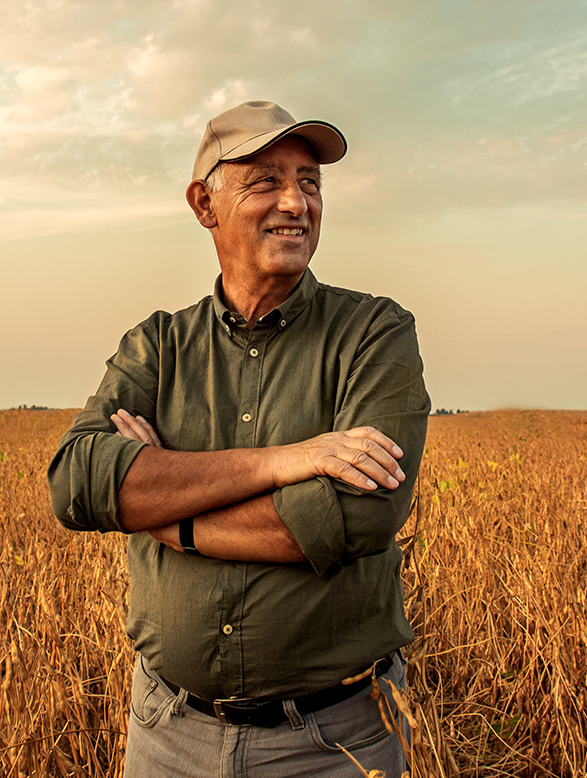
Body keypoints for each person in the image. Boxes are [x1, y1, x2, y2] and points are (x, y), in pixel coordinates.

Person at [48, 100, 430, 777]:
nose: (297, 202)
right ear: (205, 205)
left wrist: (173, 517)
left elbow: (358, 513)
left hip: (335, 743)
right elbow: (77, 481)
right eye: (266, 182)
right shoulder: (158, 347)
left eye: (309, 181)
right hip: (168, 733)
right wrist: (288, 462)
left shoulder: (374, 334)